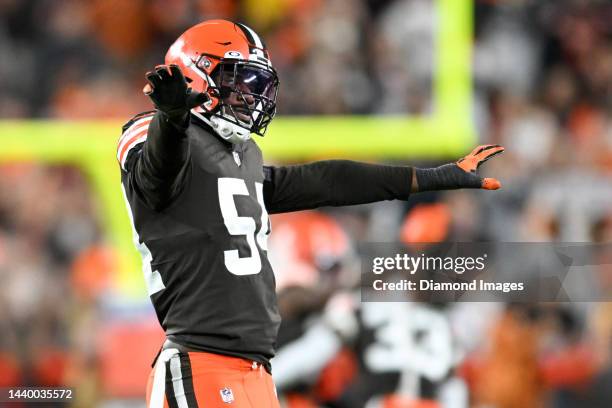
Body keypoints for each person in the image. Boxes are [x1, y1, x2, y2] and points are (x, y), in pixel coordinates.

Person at [117, 19, 504, 408]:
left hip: (255, 369)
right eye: (238, 81)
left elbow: (327, 181)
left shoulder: (241, 156)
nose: (250, 97)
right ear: (195, 76)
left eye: (256, 85)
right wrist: (171, 120)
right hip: (201, 361)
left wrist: (435, 176)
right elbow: (155, 179)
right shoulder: (149, 132)